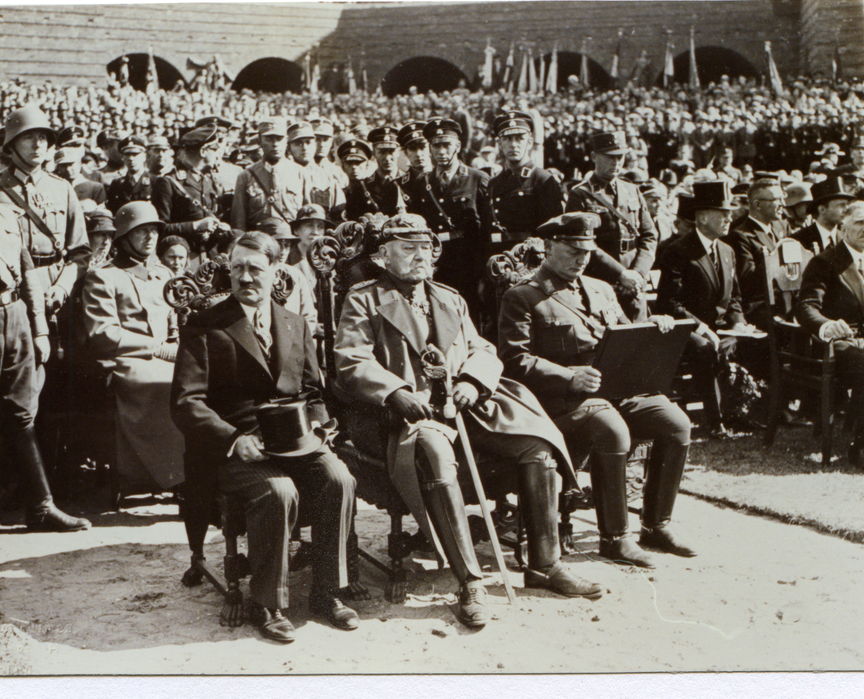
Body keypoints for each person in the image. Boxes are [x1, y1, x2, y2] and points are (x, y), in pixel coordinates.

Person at [335, 215, 602, 630]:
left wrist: (474, 382)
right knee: (437, 453)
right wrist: (395, 392)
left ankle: (545, 564)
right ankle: (470, 581)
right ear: (382, 255)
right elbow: (352, 360)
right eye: (407, 247)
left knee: (537, 445)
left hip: (462, 405)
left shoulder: (449, 297)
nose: (420, 255)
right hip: (399, 412)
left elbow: (483, 348)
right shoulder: (363, 299)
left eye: (425, 246)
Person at [171, 231, 359, 643]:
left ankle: (328, 592)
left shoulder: (294, 323)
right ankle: (267, 602)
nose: (245, 277)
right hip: (236, 451)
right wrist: (234, 438)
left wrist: (320, 427)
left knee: (339, 478)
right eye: (237, 267)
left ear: (276, 271)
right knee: (278, 492)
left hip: (296, 442)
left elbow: (312, 392)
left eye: (256, 268)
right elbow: (186, 403)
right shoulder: (205, 325)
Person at [498, 212, 696, 566]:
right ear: (547, 247)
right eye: (573, 250)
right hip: (562, 402)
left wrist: (653, 324)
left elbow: (625, 336)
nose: (581, 259)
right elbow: (514, 360)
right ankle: (615, 538)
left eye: (587, 251)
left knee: (677, 424)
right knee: (612, 430)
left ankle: (655, 524)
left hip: (614, 392)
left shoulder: (601, 288)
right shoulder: (523, 296)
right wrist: (567, 376)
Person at [0, 133, 91, 549]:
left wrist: (39, 328)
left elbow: (27, 274)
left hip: (17, 321)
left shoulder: (7, 213)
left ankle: (41, 506)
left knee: (23, 417)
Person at [81, 202, 186, 492]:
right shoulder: (104, 276)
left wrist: (176, 341)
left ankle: (206, 470)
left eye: (153, 230)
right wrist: (157, 348)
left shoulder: (164, 274)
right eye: (141, 231)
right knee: (164, 384)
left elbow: (174, 317)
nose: (150, 237)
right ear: (124, 236)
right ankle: (174, 477)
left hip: (169, 353)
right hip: (127, 359)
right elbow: (103, 332)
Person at [656, 182, 757, 436]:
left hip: (719, 327)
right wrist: (702, 328)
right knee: (705, 348)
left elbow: (733, 296)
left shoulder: (727, 250)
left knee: (753, 342)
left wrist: (739, 322)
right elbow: (670, 303)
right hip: (684, 329)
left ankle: (741, 412)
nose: (729, 218)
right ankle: (714, 421)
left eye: (729, 213)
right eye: (722, 213)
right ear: (702, 217)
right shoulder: (678, 251)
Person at [0, 105, 90, 324]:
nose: (37, 144)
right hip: (13, 291)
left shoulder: (62, 188)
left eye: (42, 138)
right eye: (28, 137)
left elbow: (81, 251)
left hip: (55, 288)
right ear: (11, 145)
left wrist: (63, 286)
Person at [795, 201, 864, 473]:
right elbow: (806, 306)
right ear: (843, 228)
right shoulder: (825, 262)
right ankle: (863, 447)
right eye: (860, 222)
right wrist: (827, 326)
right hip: (830, 346)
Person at [565, 131, 657, 322]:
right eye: (609, 157)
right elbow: (582, 241)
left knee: (638, 335)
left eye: (620, 157)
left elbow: (649, 235)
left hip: (635, 282)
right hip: (601, 280)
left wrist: (638, 274)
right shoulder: (581, 194)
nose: (616, 163)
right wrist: (620, 273)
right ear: (594, 157)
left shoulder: (632, 190)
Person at [404, 117, 491, 316]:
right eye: (436, 146)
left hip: (467, 262)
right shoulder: (422, 182)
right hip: (434, 261)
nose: (441, 152)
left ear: (457, 146)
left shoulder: (478, 179)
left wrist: (482, 272)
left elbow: (486, 229)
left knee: (469, 314)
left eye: (446, 145)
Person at [487, 111, 564, 254]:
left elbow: (553, 232)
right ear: (499, 144)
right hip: (496, 258)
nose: (513, 144)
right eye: (507, 139)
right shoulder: (494, 182)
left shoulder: (542, 179)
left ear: (529, 142)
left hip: (529, 259)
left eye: (519, 138)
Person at [231, 118, 311, 229]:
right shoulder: (246, 176)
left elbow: (309, 217)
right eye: (269, 139)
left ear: (286, 140)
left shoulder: (300, 173)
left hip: (291, 240)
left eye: (279, 139)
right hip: (258, 242)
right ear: (259, 140)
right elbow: (238, 222)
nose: (275, 144)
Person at [727, 177, 785, 327]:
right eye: (776, 200)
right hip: (761, 308)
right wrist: (778, 257)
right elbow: (748, 282)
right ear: (757, 205)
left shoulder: (781, 227)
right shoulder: (741, 235)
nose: (782, 205)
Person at [151, 126, 225, 244]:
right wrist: (195, 226)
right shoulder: (168, 182)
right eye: (214, 149)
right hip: (181, 255)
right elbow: (159, 227)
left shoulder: (208, 180)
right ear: (203, 151)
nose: (218, 154)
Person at [288, 121, 344, 217]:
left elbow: (338, 213)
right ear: (289, 148)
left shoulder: (327, 177)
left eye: (308, 142)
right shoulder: (283, 174)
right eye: (298, 143)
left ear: (314, 145)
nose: (304, 147)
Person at [792, 177, 855, 254]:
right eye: (841, 205)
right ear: (822, 209)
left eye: (847, 204)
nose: (846, 209)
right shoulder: (798, 240)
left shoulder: (847, 239)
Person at [106, 135, 155, 213]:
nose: (131, 158)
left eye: (135, 154)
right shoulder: (117, 184)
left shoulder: (155, 182)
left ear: (144, 157)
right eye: (127, 155)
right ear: (122, 157)